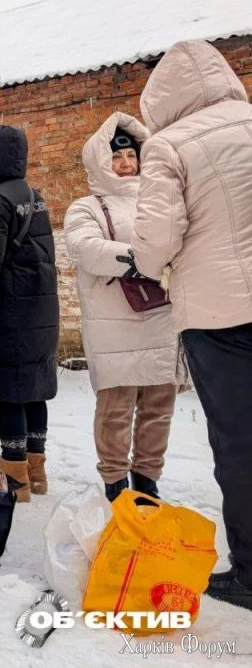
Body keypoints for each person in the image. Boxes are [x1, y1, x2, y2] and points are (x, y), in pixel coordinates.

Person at [131, 40, 252, 612]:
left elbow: (156, 239)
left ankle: (251, 572)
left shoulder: (169, 145)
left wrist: (150, 265)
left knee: (240, 443)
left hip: (220, 316)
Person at [65, 113, 179, 503]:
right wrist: (144, 258)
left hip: (162, 317)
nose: (126, 163)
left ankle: (147, 481)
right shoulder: (87, 207)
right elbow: (84, 248)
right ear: (100, 161)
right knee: (116, 409)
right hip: (114, 324)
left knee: (158, 406)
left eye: (131, 155)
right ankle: (115, 484)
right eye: (116, 157)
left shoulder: (161, 200)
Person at [0, 125, 59, 502]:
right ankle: (37, 472)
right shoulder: (34, 197)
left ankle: (15, 477)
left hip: (9, 314)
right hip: (40, 310)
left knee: (9, 392)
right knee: (34, 391)